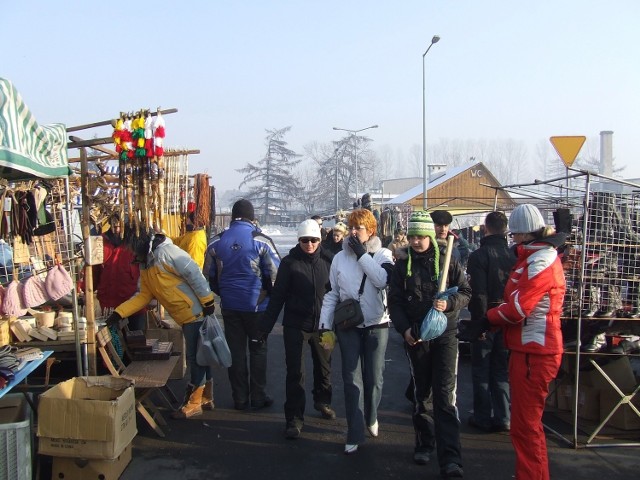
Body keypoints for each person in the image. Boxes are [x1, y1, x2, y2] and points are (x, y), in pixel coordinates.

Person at [458, 204, 566, 480]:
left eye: (515, 235)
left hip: (535, 351)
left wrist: (485, 320)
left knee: (526, 426)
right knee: (523, 424)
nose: (512, 240)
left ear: (524, 234)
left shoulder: (540, 261)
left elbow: (519, 307)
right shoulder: (532, 257)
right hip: (526, 347)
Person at [388, 211, 471, 478]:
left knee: (445, 398)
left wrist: (450, 303)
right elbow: (396, 302)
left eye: (420, 236)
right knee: (422, 395)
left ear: (429, 235)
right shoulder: (402, 266)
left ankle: (451, 458)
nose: (415, 241)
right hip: (417, 336)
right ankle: (424, 443)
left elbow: (466, 292)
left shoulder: (448, 260)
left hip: (445, 335)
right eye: (412, 236)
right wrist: (404, 330)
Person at [106, 231, 216, 419]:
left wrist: (208, 302)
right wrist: (119, 313)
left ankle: (195, 401)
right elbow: (144, 295)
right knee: (201, 354)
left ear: (141, 245)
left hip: (194, 312)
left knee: (196, 356)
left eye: (133, 250)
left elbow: (194, 273)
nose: (132, 254)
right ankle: (205, 396)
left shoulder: (167, 253)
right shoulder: (146, 263)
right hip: (184, 314)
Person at [318, 208, 394, 455]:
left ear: (370, 231)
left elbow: (382, 280)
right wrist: (325, 326)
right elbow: (332, 294)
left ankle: (371, 415)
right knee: (352, 379)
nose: (352, 232)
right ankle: (354, 431)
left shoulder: (383, 254)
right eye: (350, 227)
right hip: (348, 325)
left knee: (374, 378)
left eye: (357, 228)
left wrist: (362, 254)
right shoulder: (339, 258)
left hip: (376, 324)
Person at [259, 219, 335, 439]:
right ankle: (294, 418)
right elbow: (278, 297)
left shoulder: (330, 261)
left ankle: (323, 401)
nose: (309, 244)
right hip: (295, 326)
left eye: (313, 240)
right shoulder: (289, 263)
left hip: (325, 327)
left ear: (320, 240)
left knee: (325, 367)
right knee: (295, 373)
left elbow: (341, 292)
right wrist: (265, 326)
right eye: (304, 240)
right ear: (299, 240)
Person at [205, 199, 281, 410]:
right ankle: (258, 396)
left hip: (229, 305)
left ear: (232, 216)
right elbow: (276, 274)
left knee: (236, 352)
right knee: (257, 350)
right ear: (252, 217)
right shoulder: (262, 240)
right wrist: (269, 296)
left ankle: (239, 398)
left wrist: (222, 293)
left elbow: (208, 274)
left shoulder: (216, 241)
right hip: (257, 306)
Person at [465, 211, 515, 433]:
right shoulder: (514, 256)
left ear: (486, 228)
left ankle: (483, 416)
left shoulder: (478, 256)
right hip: (508, 318)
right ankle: (503, 415)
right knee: (501, 369)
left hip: (487, 316)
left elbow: (479, 293)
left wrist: (480, 321)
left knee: (481, 369)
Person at [93, 214, 146, 331]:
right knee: (113, 342)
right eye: (114, 226)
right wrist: (86, 288)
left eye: (119, 226)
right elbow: (94, 271)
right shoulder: (100, 242)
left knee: (136, 340)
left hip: (133, 303)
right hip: (108, 304)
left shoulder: (134, 241)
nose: (116, 230)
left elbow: (145, 269)